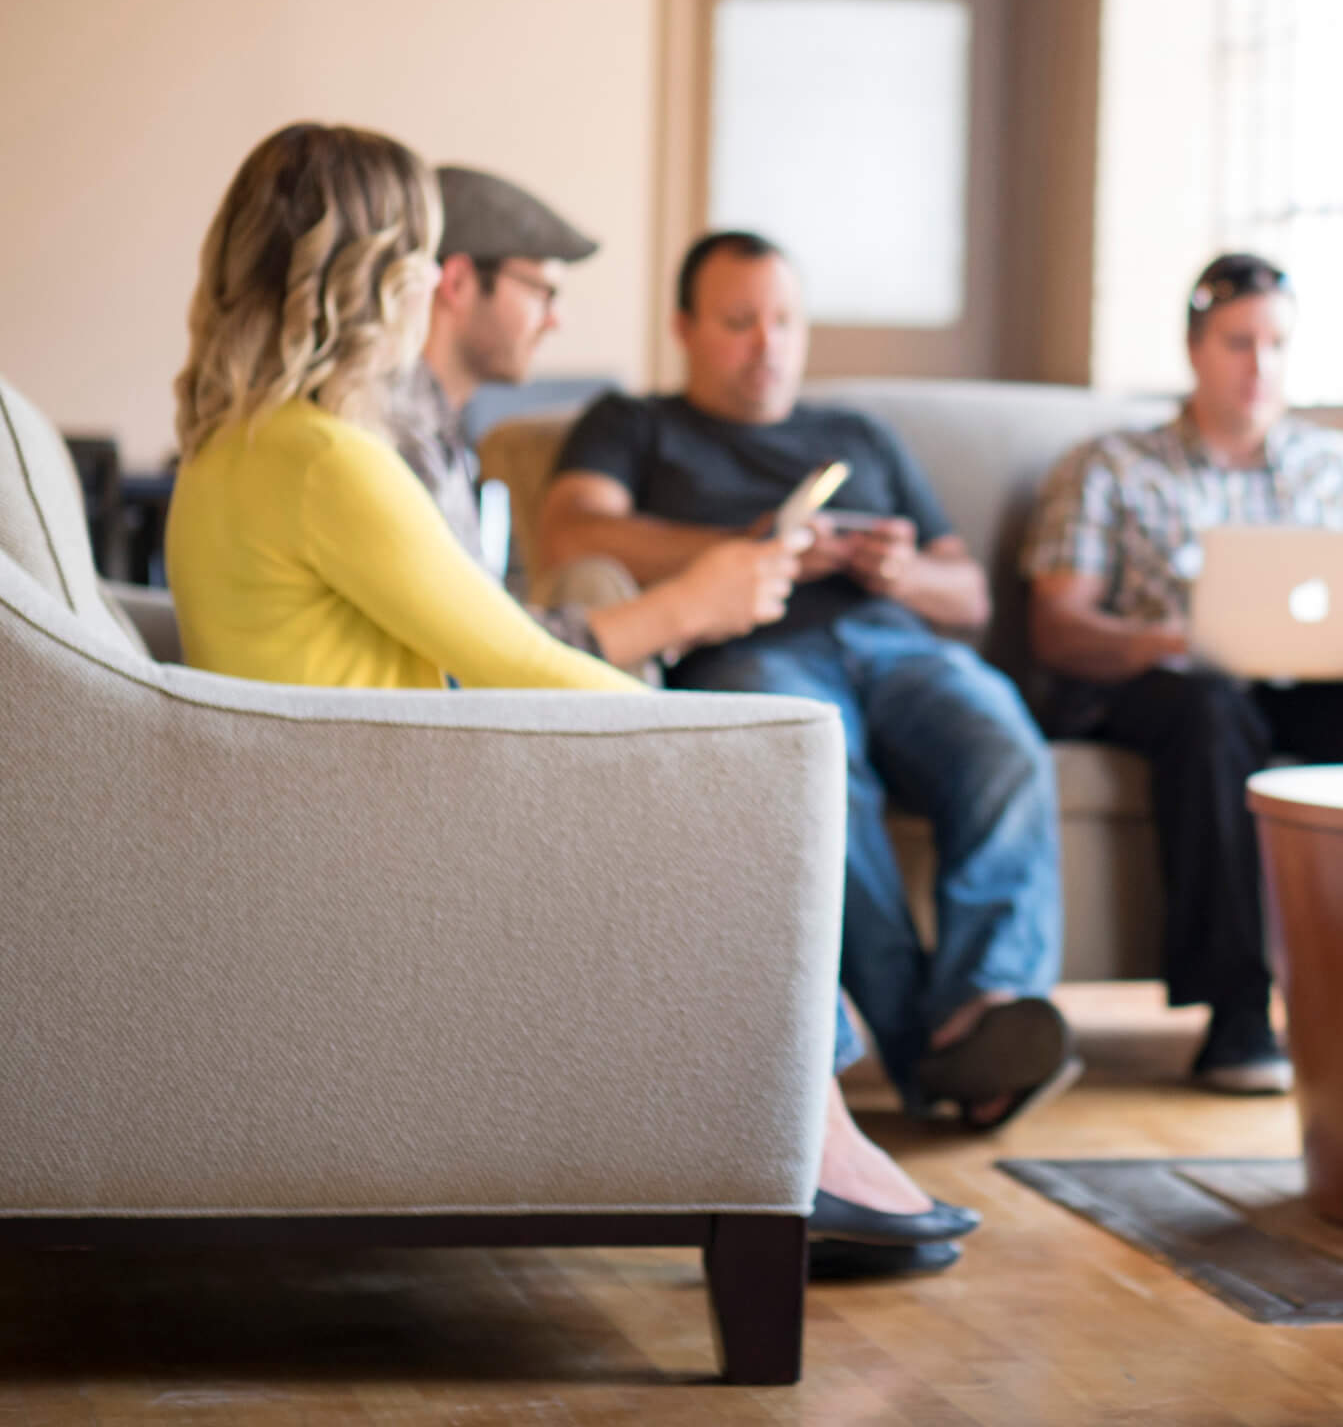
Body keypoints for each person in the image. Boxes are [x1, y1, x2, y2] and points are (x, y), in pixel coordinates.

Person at [166, 127, 977, 1279]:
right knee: (740, 816)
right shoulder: (321, 459)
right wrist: (711, 743)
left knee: (722, 810)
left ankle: (814, 1148)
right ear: (390, 278)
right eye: (422, 262)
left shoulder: (235, 446)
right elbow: (514, 660)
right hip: (378, 836)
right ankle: (815, 1155)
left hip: (344, 806)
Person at [536, 231, 1075, 1128]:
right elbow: (571, 536)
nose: (767, 345)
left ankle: (988, 1003)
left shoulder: (859, 434)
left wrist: (901, 574)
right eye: (739, 322)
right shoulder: (632, 424)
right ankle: (930, 1055)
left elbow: (969, 595)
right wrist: (747, 545)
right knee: (826, 774)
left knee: (1001, 735)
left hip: (895, 644)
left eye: (783, 321)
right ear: (684, 327)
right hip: (751, 650)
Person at [1022, 254, 1343, 1094]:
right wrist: (1164, 640)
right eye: (1238, 342)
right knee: (1210, 706)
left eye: (1276, 344)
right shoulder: (1109, 466)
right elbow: (1057, 628)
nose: (1259, 365)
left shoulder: (1337, 471)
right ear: (1195, 347)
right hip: (1163, 686)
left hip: (1305, 687)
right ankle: (1236, 1013)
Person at [395, 165, 792, 673]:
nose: (555, 319)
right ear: (457, 282)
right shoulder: (398, 437)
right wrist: (683, 609)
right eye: (542, 291)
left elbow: (495, 622)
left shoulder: (444, 429)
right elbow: (474, 656)